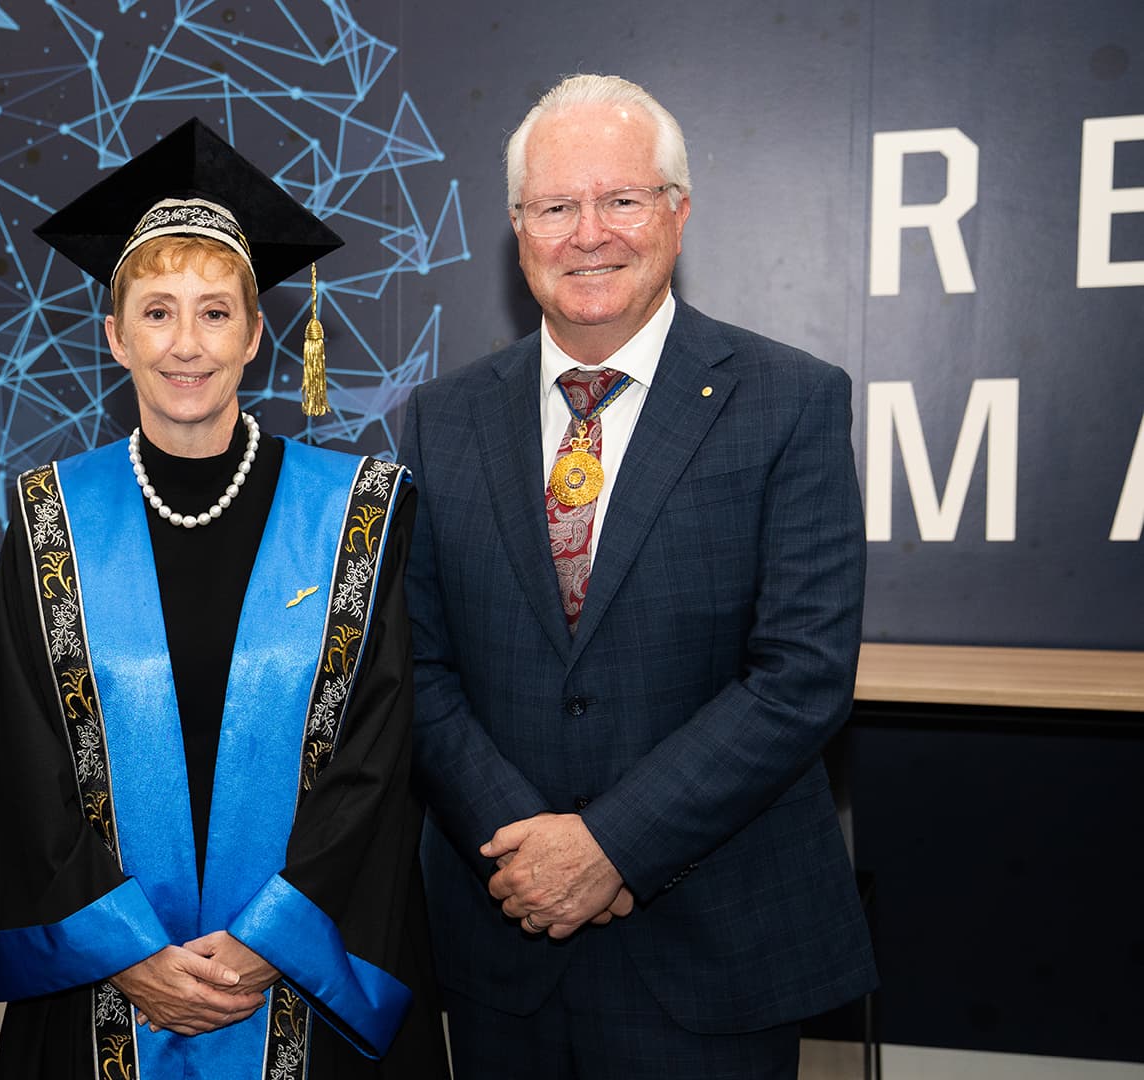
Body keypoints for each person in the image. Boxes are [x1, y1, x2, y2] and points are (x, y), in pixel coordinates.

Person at [402, 73, 877, 1078]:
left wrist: (611, 845)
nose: (588, 233)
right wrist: (526, 851)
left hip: (714, 949)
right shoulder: (441, 421)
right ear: (517, 227)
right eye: (555, 206)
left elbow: (801, 676)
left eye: (620, 199)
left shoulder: (790, 402)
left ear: (677, 211)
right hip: (504, 942)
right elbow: (419, 665)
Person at [0, 118, 447, 1080]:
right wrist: (129, 954)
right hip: (105, 992)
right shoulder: (51, 517)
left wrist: (276, 937)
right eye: (156, 312)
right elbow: (22, 764)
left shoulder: (357, 514)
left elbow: (378, 755)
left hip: (300, 988)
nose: (186, 344)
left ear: (258, 333)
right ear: (114, 336)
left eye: (215, 312)